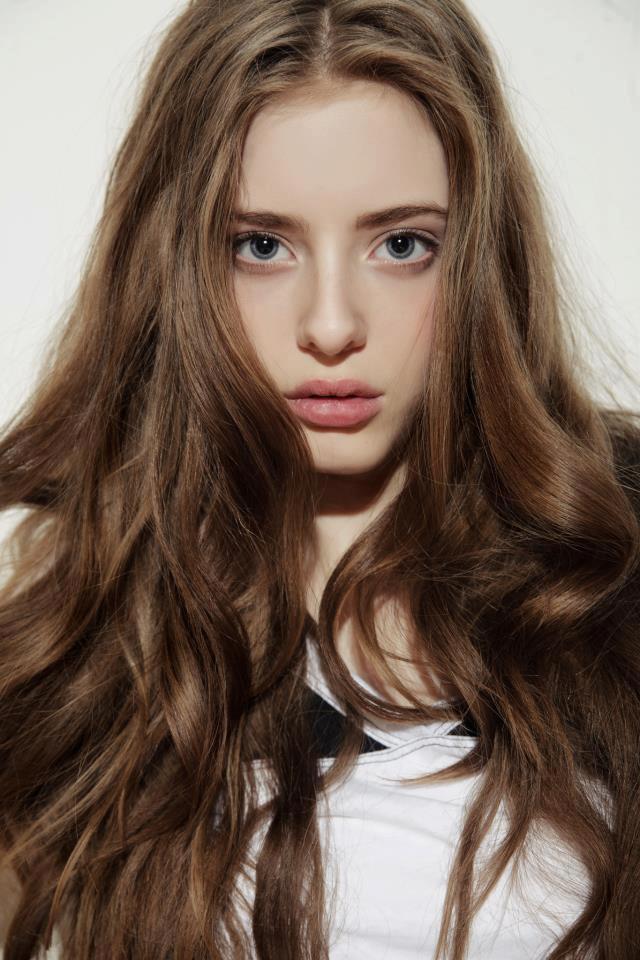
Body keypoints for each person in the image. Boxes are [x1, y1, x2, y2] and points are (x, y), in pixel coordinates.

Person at [1, 0, 638, 958]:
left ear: (479, 259)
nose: (332, 325)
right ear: (178, 267)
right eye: (261, 246)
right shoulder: (81, 651)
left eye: (402, 244)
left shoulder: (610, 575)